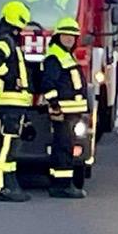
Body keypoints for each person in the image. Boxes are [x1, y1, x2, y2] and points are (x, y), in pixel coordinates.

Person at [0, 0, 36, 202]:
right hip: (10, 101)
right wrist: (9, 79)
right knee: (7, 145)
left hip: (17, 102)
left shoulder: (11, 40)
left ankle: (10, 182)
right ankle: (1, 186)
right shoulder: (6, 41)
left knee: (12, 145)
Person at [38, 15, 92, 198]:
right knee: (63, 148)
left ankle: (60, 184)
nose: (69, 39)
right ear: (58, 37)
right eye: (65, 35)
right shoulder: (55, 57)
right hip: (63, 113)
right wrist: (55, 106)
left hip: (71, 112)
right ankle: (62, 186)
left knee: (65, 147)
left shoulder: (65, 55)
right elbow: (48, 84)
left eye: (72, 36)